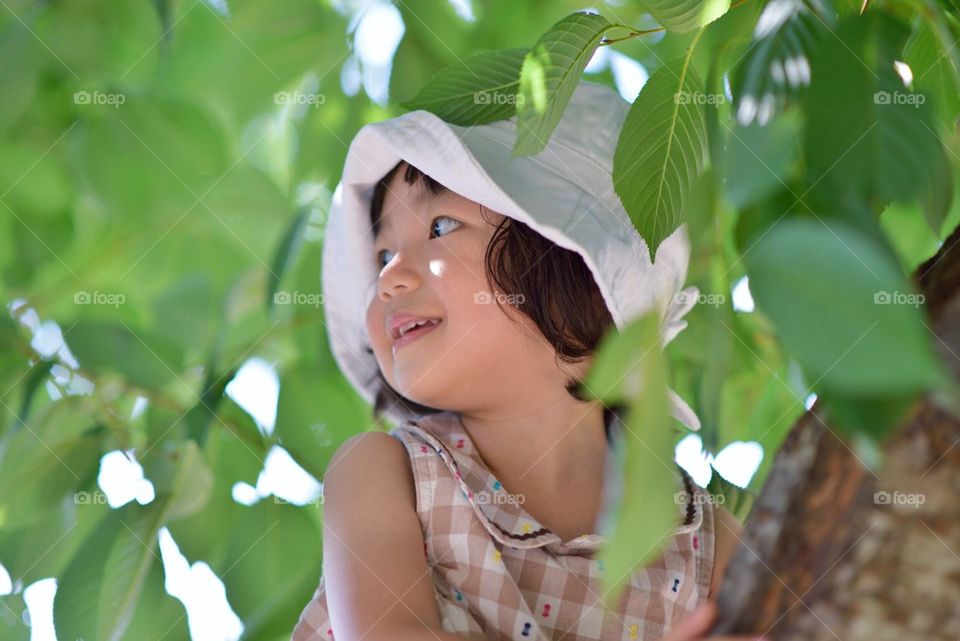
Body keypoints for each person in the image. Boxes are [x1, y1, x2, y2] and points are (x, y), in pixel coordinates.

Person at [291, 80, 764, 641]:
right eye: (383, 254)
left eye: (440, 227)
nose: (389, 278)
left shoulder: (702, 533)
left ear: (581, 275)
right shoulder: (384, 474)